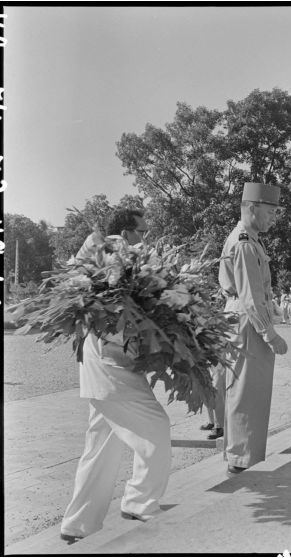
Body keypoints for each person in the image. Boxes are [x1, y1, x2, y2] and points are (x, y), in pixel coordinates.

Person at [60, 209, 171, 544]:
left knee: (101, 448)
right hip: (109, 362)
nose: (146, 235)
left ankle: (77, 524)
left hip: (102, 359)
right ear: (127, 232)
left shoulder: (111, 253)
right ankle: (140, 502)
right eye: (143, 230)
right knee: (156, 427)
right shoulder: (111, 253)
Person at [218, 182, 288, 475]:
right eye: (270, 212)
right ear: (252, 207)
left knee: (249, 391)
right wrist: (270, 334)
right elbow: (250, 297)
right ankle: (239, 459)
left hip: (243, 320)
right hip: (247, 323)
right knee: (246, 392)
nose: (274, 218)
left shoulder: (250, 239)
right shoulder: (245, 243)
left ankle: (241, 456)